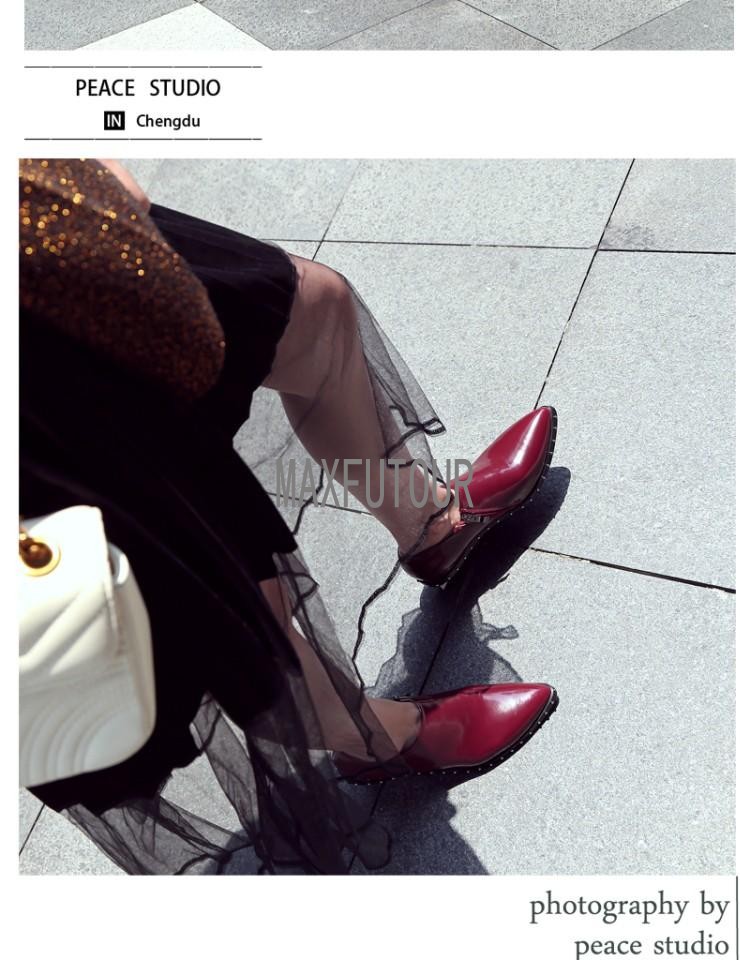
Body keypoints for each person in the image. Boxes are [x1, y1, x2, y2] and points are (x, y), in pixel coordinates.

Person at [19, 158, 558, 874]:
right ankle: (372, 737)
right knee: (205, 583)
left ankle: (430, 528)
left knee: (311, 310)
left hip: (37, 233)